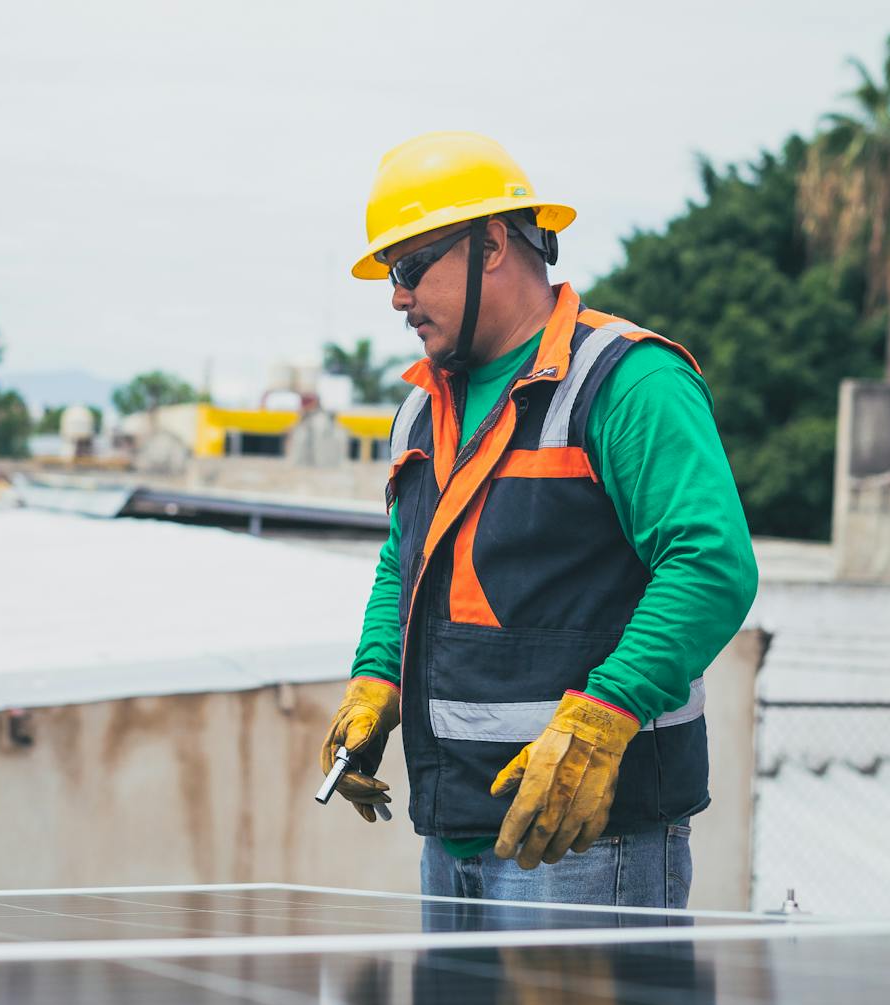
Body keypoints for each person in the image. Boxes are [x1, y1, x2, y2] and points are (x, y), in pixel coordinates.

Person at [320, 131, 758, 908]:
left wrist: (604, 716)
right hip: (451, 833)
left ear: (492, 245)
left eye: (411, 266)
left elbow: (710, 563)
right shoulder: (424, 407)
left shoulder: (627, 381)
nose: (397, 296)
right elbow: (405, 562)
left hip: (590, 842)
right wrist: (373, 678)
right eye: (390, 273)